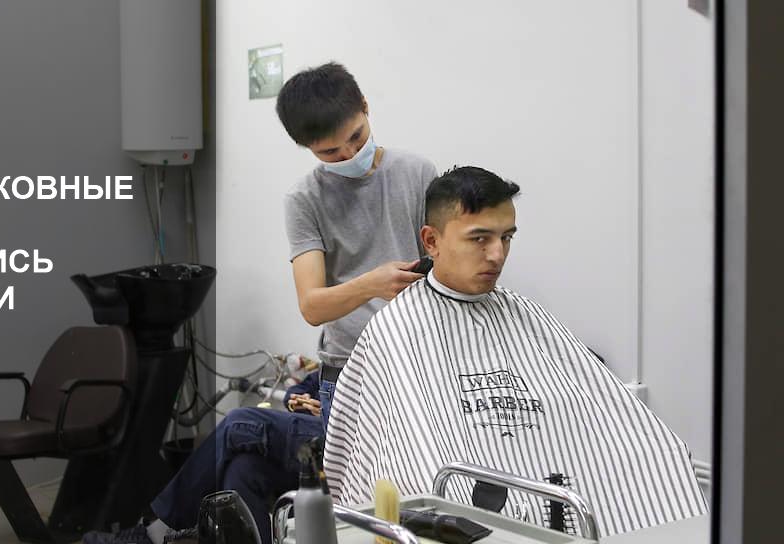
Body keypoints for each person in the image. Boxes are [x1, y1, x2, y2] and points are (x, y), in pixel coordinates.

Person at [322, 166, 708, 537]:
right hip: (466, 512)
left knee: (662, 454)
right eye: (479, 238)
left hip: (560, 501)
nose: (497, 255)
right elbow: (407, 455)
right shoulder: (397, 329)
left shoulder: (526, 314)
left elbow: (599, 417)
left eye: (506, 237)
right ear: (432, 241)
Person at [278, 62, 438, 429]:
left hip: (420, 361)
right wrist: (372, 285)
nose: (349, 154)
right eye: (330, 152)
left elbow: (442, 264)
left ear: (365, 106)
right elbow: (312, 306)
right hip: (349, 372)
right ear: (306, 147)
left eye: (357, 136)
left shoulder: (418, 172)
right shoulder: (304, 199)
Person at [84, 374, 323, 544]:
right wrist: (296, 395)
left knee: (238, 423)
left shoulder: (343, 321)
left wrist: (324, 407)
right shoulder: (336, 340)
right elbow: (318, 375)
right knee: (242, 469)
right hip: (318, 425)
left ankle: (156, 533)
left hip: (335, 436)